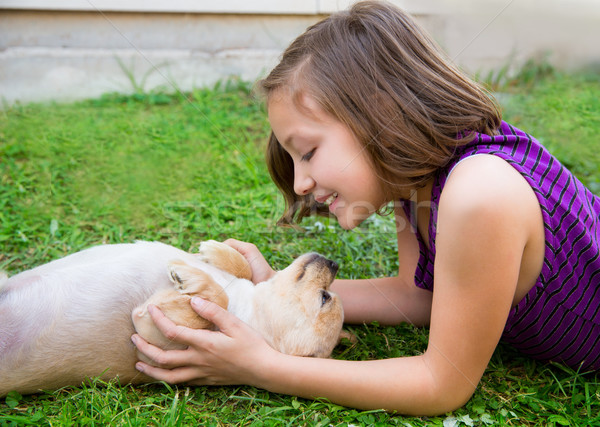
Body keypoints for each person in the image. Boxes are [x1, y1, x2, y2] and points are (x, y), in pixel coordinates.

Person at [131, 0, 600, 415]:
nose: (300, 182)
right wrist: (273, 287)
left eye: (308, 152)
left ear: (380, 114)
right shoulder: (415, 179)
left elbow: (442, 382)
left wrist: (263, 366)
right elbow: (419, 295)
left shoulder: (480, 193)